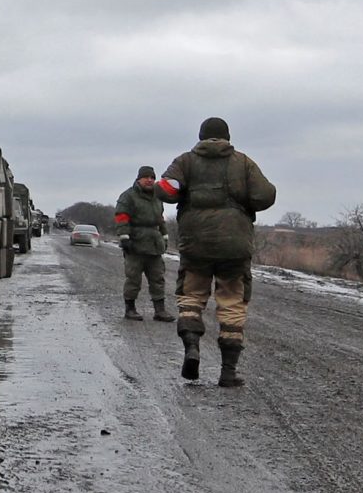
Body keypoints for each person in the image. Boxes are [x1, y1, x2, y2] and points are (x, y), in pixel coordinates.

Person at [164, 118, 276, 385]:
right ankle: (228, 372)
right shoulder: (243, 162)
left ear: (201, 136)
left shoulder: (185, 161)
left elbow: (167, 191)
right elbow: (265, 196)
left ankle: (192, 346)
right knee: (232, 305)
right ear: (227, 136)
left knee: (191, 298)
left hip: (195, 244)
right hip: (234, 245)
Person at [113, 164, 176, 323]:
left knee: (158, 278)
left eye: (152, 178)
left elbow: (160, 218)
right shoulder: (128, 196)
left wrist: (165, 235)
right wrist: (124, 237)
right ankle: (130, 308)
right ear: (139, 179)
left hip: (154, 244)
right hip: (135, 243)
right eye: (146, 177)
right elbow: (121, 217)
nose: (149, 180)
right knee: (133, 278)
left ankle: (159, 310)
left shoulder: (157, 197)